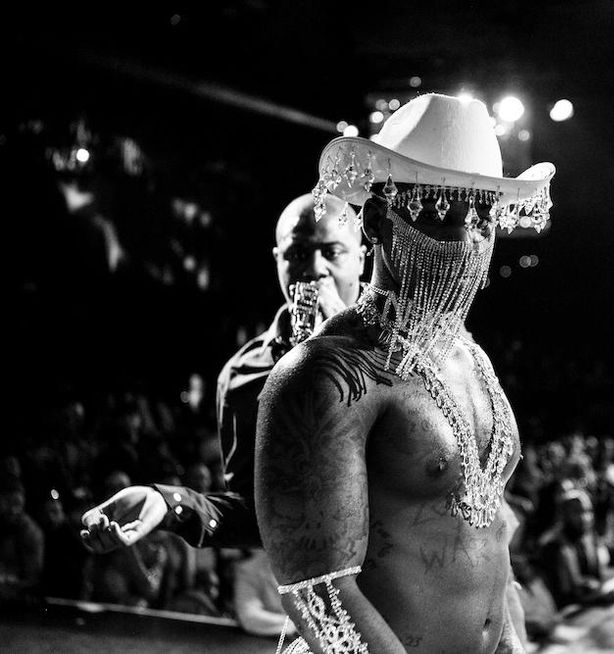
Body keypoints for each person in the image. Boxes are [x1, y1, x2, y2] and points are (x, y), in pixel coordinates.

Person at [255, 93, 554, 653]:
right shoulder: (326, 375)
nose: (468, 238)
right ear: (377, 219)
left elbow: (488, 539)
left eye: (483, 215)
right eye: (443, 212)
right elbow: (320, 593)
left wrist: (511, 641)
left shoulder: (471, 357)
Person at [80, 193, 365, 552]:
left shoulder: (405, 350)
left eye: (332, 251)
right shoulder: (243, 374)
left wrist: (349, 344)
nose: (315, 268)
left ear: (361, 258)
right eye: (297, 253)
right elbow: (256, 514)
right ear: (277, 260)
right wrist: (168, 503)